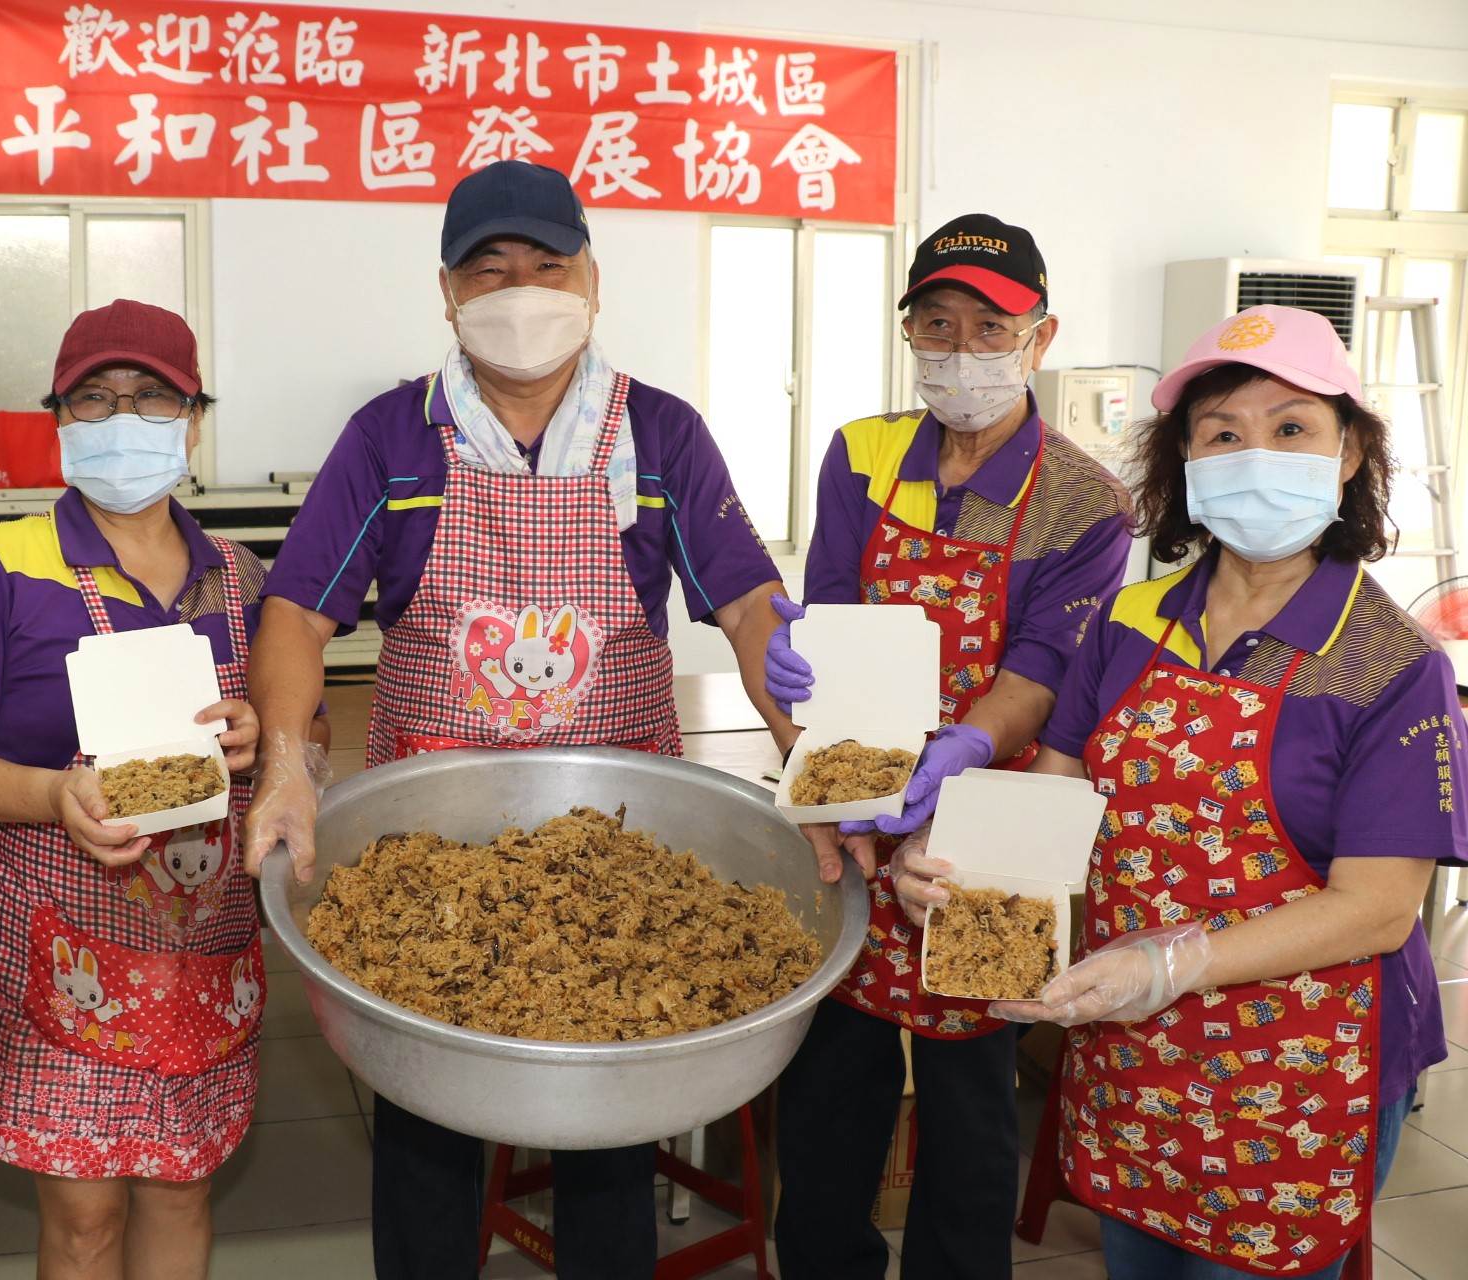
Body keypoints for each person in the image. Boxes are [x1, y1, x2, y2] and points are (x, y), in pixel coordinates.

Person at [242, 160, 787, 1279]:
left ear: (594, 276)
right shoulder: (393, 436)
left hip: (616, 844)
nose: (522, 290)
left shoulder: (663, 436)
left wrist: (815, 754)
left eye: (549, 265)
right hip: (428, 837)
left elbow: (745, 604)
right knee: (427, 1116)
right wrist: (288, 768)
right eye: (491, 269)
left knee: (608, 1117)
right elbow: (298, 610)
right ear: (445, 292)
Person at [963, 304, 1462, 1279]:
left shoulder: (1391, 663)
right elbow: (1057, 792)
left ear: (1349, 449)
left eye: (1292, 428)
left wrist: (1168, 966)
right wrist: (964, 879)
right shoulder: (1132, 617)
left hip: (1305, 1063)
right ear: (1186, 461)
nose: (1257, 453)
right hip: (1135, 1046)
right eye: (1224, 432)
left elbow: (1376, 908)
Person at [0, 300, 325, 1280]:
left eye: (150, 397)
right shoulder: (0, 566)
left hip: (203, 941)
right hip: (56, 934)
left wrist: (269, 738)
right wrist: (55, 794)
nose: (121, 416)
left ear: (194, 419)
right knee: (85, 1209)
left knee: (182, 1183)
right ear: (60, 417)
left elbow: (302, 736)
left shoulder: (244, 576)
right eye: (93, 397)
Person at [767, 215, 1133, 1280]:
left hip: (996, 826)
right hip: (860, 808)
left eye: (990, 325)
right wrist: (805, 671)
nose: (961, 348)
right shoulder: (864, 451)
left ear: (1040, 334)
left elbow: (1042, 666)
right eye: (938, 322)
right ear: (909, 332)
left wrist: (959, 750)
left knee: (972, 1113)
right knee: (832, 1091)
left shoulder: (1084, 499)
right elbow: (834, 608)